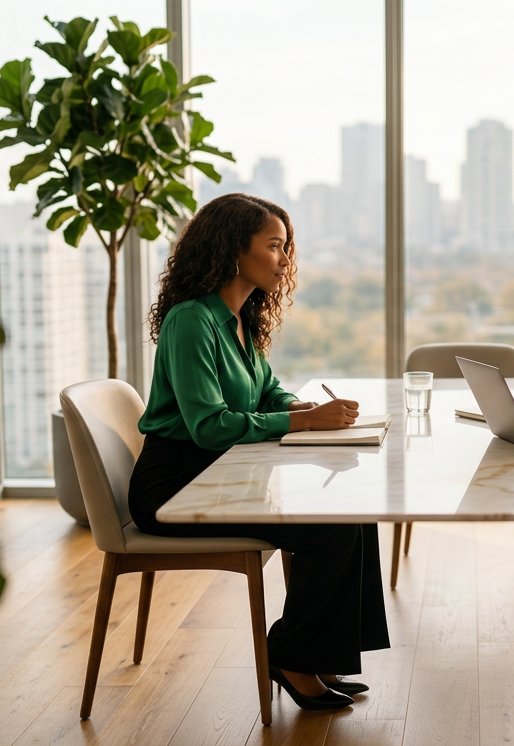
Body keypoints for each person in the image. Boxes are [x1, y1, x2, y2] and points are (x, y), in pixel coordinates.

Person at [128, 193, 390, 711]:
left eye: (286, 247)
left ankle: (319, 654)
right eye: (274, 246)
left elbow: (267, 393)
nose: (284, 260)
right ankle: (292, 657)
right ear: (231, 250)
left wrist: (300, 407)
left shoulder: (241, 318)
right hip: (177, 486)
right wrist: (301, 422)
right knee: (329, 531)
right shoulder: (191, 321)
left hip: (221, 475)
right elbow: (207, 427)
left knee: (355, 516)